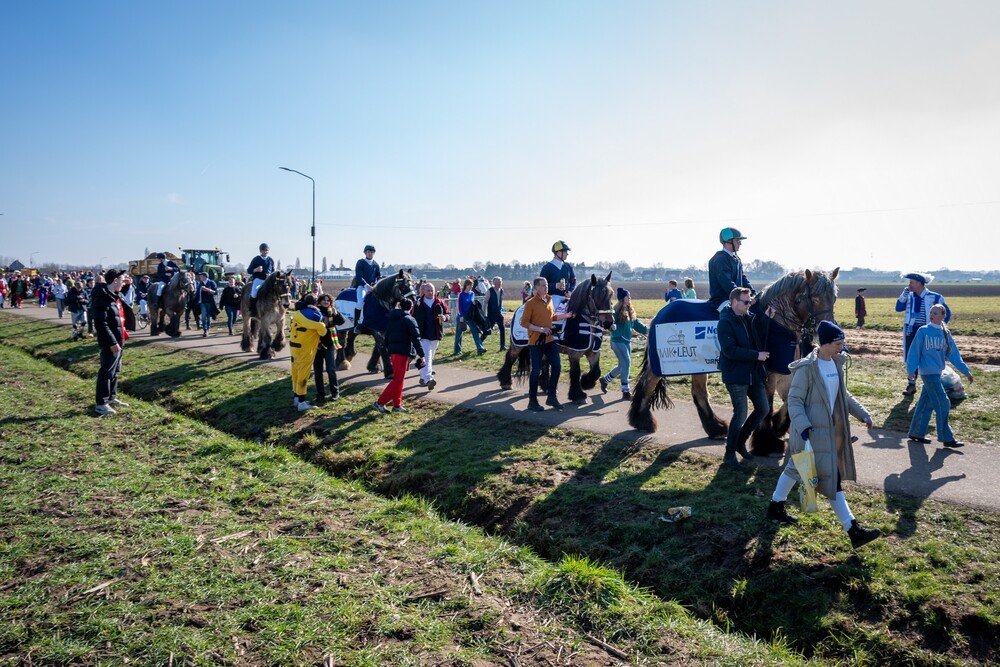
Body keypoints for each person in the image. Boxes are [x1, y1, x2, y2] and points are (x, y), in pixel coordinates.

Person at [764, 321, 882, 550]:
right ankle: (853, 530)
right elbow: (795, 400)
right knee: (831, 479)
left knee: (794, 467)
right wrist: (803, 426)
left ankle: (775, 507)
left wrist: (863, 414)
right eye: (838, 343)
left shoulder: (836, 364)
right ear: (825, 343)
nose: (842, 347)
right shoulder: (807, 368)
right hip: (810, 432)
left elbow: (843, 395)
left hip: (829, 433)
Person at [718, 287, 773, 470]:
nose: (750, 304)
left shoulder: (747, 318)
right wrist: (756, 355)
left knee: (763, 408)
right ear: (734, 302)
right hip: (736, 375)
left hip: (753, 374)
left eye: (750, 301)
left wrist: (766, 318)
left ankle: (740, 443)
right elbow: (730, 350)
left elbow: (759, 336)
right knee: (740, 413)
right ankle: (729, 454)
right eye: (746, 302)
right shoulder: (725, 323)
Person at [906, 303, 974, 449]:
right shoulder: (923, 331)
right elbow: (914, 352)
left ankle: (916, 432)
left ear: (943, 316)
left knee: (926, 403)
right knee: (943, 403)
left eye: (936, 313)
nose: (932, 315)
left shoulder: (945, 333)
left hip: (937, 373)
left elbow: (954, 355)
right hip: (927, 373)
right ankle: (946, 438)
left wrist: (966, 371)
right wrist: (911, 372)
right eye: (931, 312)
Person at [521, 277, 574, 412]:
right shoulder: (530, 303)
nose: (546, 287)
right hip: (535, 342)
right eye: (543, 285)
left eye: (546, 285)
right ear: (536, 288)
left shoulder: (549, 300)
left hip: (549, 340)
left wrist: (567, 316)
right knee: (536, 371)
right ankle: (532, 401)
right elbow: (524, 322)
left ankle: (551, 397)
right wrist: (540, 329)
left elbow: (552, 317)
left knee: (557, 366)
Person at [896, 272, 950, 396]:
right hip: (911, 332)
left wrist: (938, 328)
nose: (909, 285)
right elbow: (898, 308)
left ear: (920, 283)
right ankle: (911, 385)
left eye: (912, 282)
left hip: (928, 333)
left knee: (929, 358)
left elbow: (946, 314)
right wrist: (904, 294)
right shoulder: (908, 296)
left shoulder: (935, 297)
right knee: (911, 360)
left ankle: (933, 385)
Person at [92, 269, 136, 415]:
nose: (123, 283)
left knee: (115, 371)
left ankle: (111, 398)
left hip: (119, 339)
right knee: (107, 371)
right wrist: (112, 342)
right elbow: (101, 324)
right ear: (114, 280)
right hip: (110, 342)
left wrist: (127, 285)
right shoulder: (102, 298)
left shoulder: (113, 294)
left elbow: (121, 296)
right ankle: (101, 403)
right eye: (122, 280)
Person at [373, 298, 424, 414]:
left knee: (399, 379)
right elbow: (416, 339)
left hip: (393, 351)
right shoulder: (410, 319)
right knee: (398, 380)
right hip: (402, 352)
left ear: (400, 306)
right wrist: (422, 355)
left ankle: (397, 405)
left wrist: (389, 349)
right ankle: (380, 402)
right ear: (411, 308)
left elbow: (386, 336)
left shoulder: (392, 319)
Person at [600, 288, 648, 400]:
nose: (630, 298)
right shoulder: (615, 310)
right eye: (628, 296)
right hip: (617, 341)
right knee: (626, 363)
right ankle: (625, 391)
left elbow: (636, 324)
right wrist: (612, 328)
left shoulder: (629, 309)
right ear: (622, 298)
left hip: (626, 341)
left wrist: (648, 330)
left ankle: (605, 380)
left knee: (622, 365)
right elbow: (609, 323)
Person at [288, 293, 326, 411]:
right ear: (316, 303)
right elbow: (322, 332)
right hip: (305, 348)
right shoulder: (316, 314)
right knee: (303, 374)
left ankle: (296, 398)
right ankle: (302, 402)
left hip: (294, 346)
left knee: (295, 371)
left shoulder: (297, 313)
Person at [413, 281, 449, 390]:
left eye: (432, 290)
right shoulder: (418, 303)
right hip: (423, 335)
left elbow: (447, 314)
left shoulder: (440, 302)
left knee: (430, 357)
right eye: (428, 290)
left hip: (436, 334)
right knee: (427, 357)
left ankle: (422, 376)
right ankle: (428, 379)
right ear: (424, 291)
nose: (430, 292)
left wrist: (444, 318)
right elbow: (412, 317)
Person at [708, 228, 755, 310]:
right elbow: (727, 282)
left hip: (737, 298)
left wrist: (753, 294)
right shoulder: (720, 259)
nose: (740, 243)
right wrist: (742, 297)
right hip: (722, 301)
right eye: (737, 240)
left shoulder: (737, 258)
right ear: (728, 241)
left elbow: (743, 279)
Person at [313, 293, 341, 402]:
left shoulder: (332, 310)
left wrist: (336, 314)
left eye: (328, 300)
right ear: (320, 301)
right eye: (324, 300)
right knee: (318, 371)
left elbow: (341, 322)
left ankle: (335, 392)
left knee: (331, 369)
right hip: (317, 344)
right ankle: (320, 394)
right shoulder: (315, 311)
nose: (326, 302)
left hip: (329, 344)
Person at [454, 278, 487, 356]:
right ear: (466, 285)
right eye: (470, 285)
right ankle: (457, 350)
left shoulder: (472, 293)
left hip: (470, 316)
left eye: (472, 285)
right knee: (459, 333)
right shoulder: (461, 294)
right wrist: (461, 316)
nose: (471, 287)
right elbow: (459, 306)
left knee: (475, 331)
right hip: (462, 316)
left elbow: (471, 303)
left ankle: (480, 348)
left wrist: (474, 303)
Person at [247, 243, 275, 316]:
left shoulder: (271, 260)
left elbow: (273, 271)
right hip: (258, 280)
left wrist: (270, 275)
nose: (265, 252)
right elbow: (249, 270)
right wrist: (255, 269)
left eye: (266, 250)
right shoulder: (256, 259)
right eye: (263, 250)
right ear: (260, 251)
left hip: (268, 281)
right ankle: (252, 310)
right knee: (254, 293)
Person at [193, 272, 217, 337]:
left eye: (201, 276)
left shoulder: (211, 282)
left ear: (205, 276)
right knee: (203, 316)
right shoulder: (200, 284)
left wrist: (207, 290)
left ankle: (208, 328)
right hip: (202, 303)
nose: (200, 277)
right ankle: (205, 330)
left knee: (208, 317)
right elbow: (197, 293)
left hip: (210, 302)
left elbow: (215, 292)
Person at [486, 277, 507, 351]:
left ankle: (502, 345)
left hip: (499, 313)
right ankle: (479, 342)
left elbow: (500, 301)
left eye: (501, 282)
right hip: (491, 314)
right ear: (494, 283)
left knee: (502, 328)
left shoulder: (501, 290)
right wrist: (484, 314)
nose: (500, 283)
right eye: (499, 282)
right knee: (488, 330)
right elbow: (485, 302)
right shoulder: (490, 291)